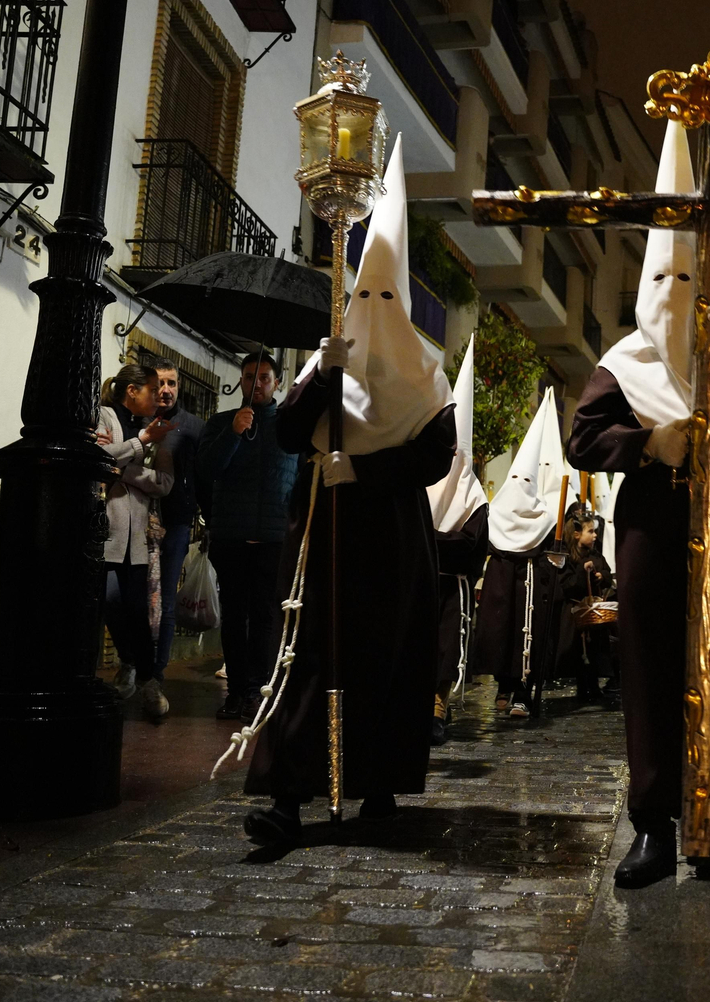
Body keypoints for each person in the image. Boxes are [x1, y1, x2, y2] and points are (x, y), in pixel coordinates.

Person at [567, 120, 710, 887]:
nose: (673, 295)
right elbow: (582, 440)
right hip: (654, 525)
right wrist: (646, 445)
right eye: (661, 280)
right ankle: (655, 821)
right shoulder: (620, 362)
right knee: (655, 669)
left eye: (686, 280)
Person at [242, 135, 457, 844]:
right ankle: (289, 794)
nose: (369, 302)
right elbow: (284, 433)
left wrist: (363, 469)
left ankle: (376, 784)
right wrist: (322, 381)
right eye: (363, 290)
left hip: (390, 536)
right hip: (323, 528)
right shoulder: (326, 353)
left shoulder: (426, 371)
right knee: (307, 652)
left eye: (382, 293)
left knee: (384, 662)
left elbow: (436, 453)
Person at [197, 351, 298, 720]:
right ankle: (236, 691)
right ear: (240, 381)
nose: (256, 383)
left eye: (264, 377)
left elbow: (301, 483)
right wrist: (233, 433)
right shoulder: (222, 422)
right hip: (232, 538)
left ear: (277, 382)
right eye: (249, 377)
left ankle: (256, 690)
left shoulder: (289, 427)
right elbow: (207, 470)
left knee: (266, 617)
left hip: (274, 540)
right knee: (235, 616)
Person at [96, 363, 175, 721]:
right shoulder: (105, 417)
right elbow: (98, 459)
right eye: (152, 387)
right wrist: (138, 444)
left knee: (138, 612)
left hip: (137, 535)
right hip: (107, 529)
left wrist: (125, 470)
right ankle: (132, 666)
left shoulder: (156, 430)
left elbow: (165, 482)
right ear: (132, 391)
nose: (159, 394)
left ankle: (146, 680)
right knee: (110, 599)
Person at [474, 408, 564, 719]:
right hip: (501, 583)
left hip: (529, 584)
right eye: (515, 478)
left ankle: (522, 692)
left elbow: (555, 553)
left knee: (525, 636)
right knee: (500, 633)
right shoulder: (494, 512)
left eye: (526, 479)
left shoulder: (546, 518)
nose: (519, 483)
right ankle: (504, 685)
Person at [427, 334, 489, 745]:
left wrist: (430, 540)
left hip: (453, 589)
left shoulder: (475, 497)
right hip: (420, 580)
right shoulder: (425, 484)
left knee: (446, 651)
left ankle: (437, 707)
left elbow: (472, 547)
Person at [151, 358, 205, 695]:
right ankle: (134, 663)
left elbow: (203, 475)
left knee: (165, 601)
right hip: (136, 519)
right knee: (125, 598)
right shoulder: (139, 420)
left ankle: (155, 673)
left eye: (171, 383)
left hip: (175, 522)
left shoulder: (194, 427)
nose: (166, 390)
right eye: (159, 384)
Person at [560, 502, 614, 702]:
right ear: (576, 535)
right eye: (590, 531)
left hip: (595, 612)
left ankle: (594, 686)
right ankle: (583, 687)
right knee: (580, 653)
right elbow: (568, 583)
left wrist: (602, 576)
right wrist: (584, 572)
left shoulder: (595, 554)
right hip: (577, 612)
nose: (594, 535)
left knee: (595, 651)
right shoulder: (570, 557)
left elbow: (606, 572)